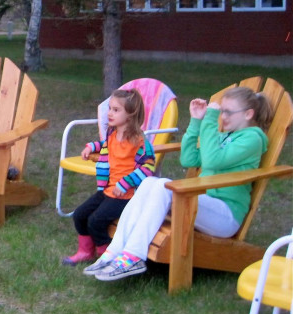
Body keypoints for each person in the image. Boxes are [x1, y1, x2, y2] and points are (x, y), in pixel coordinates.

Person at [85, 86, 271, 281]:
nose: (222, 116)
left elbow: (212, 161)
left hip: (225, 216)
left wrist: (209, 119)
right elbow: (189, 159)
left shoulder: (253, 139)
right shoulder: (225, 136)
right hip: (203, 205)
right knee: (149, 182)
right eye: (221, 111)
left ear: (249, 114)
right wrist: (196, 122)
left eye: (227, 112)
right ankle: (114, 251)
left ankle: (133, 255)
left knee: (164, 187)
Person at [63, 89, 156, 265]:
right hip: (107, 190)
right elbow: (105, 145)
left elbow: (148, 167)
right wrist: (92, 146)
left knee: (95, 221)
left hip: (126, 196)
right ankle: (85, 252)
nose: (110, 113)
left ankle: (107, 256)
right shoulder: (112, 134)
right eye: (110, 108)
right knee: (80, 215)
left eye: (116, 110)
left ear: (130, 115)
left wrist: (125, 183)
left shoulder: (139, 142)